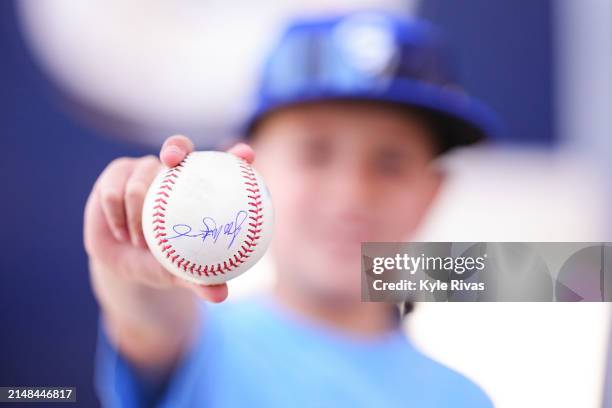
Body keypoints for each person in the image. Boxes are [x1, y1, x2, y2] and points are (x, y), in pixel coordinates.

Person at [85, 11, 499, 407]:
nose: (351, 194)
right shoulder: (199, 343)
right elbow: (146, 319)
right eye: (315, 153)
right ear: (250, 168)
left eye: (390, 163)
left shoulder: (463, 399)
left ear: (432, 194)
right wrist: (136, 249)